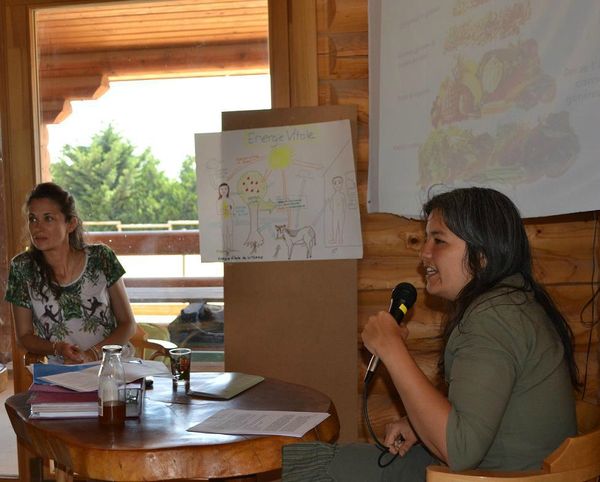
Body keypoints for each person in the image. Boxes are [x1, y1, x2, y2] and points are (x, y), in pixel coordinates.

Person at [282, 186, 578, 481]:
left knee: (319, 473)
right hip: (498, 469)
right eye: (426, 239)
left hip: (491, 477)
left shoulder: (493, 319)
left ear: (483, 254)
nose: (424, 253)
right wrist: (417, 423)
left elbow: (459, 451)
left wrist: (393, 350)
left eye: (439, 240)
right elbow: (485, 412)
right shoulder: (510, 302)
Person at [5, 182, 136, 364]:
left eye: (48, 218)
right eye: (32, 219)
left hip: (113, 367)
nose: (37, 227)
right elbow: (24, 337)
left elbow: (128, 324)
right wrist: (56, 348)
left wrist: (92, 355)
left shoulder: (101, 257)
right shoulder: (22, 268)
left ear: (71, 223)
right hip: (63, 372)